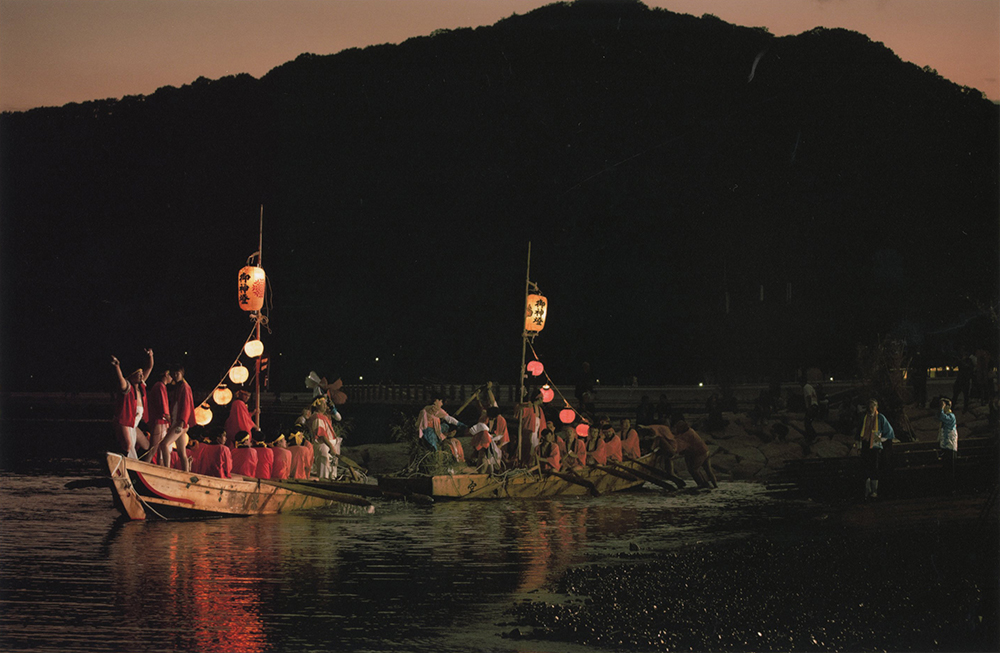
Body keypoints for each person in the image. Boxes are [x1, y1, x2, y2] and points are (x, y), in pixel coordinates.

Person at [110, 349, 154, 459]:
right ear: (132, 375)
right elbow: (121, 380)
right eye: (138, 374)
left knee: (146, 445)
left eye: (141, 374)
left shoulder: (141, 387)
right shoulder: (128, 388)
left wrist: (150, 356)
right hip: (125, 421)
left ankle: (136, 463)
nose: (141, 376)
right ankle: (120, 461)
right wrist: (117, 367)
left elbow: (149, 367)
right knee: (128, 445)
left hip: (134, 424)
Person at [854, 399, 895, 500]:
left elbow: (889, 432)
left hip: (875, 447)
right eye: (869, 406)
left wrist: (880, 439)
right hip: (865, 445)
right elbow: (859, 433)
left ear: (876, 407)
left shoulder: (880, 418)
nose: (870, 408)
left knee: (874, 468)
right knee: (865, 467)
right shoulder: (864, 418)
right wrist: (858, 446)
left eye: (872, 406)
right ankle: (866, 490)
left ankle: (874, 491)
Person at [159, 364, 195, 471]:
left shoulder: (185, 387)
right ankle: (186, 472)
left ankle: (167, 470)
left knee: (164, 444)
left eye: (177, 373)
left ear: (182, 374)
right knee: (181, 452)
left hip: (181, 423)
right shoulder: (179, 387)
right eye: (174, 373)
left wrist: (182, 422)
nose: (175, 375)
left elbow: (186, 406)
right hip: (178, 422)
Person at [308, 396, 341, 480]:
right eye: (324, 403)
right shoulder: (316, 417)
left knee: (331, 469)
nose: (326, 405)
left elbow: (339, 418)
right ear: (317, 405)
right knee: (324, 469)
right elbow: (321, 435)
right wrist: (331, 446)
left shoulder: (323, 416)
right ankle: (323, 481)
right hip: (323, 445)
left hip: (328, 445)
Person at [144, 367, 171, 463]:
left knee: (160, 452)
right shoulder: (159, 386)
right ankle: (142, 468)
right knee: (153, 450)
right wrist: (172, 422)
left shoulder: (160, 386)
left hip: (161, 421)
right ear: (166, 374)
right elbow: (163, 409)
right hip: (159, 421)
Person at [936, 397, 958, 493]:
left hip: (950, 447)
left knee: (950, 470)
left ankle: (951, 489)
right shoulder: (947, 417)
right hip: (945, 447)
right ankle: (947, 489)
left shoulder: (951, 417)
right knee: (946, 470)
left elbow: (941, 416)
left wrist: (942, 408)